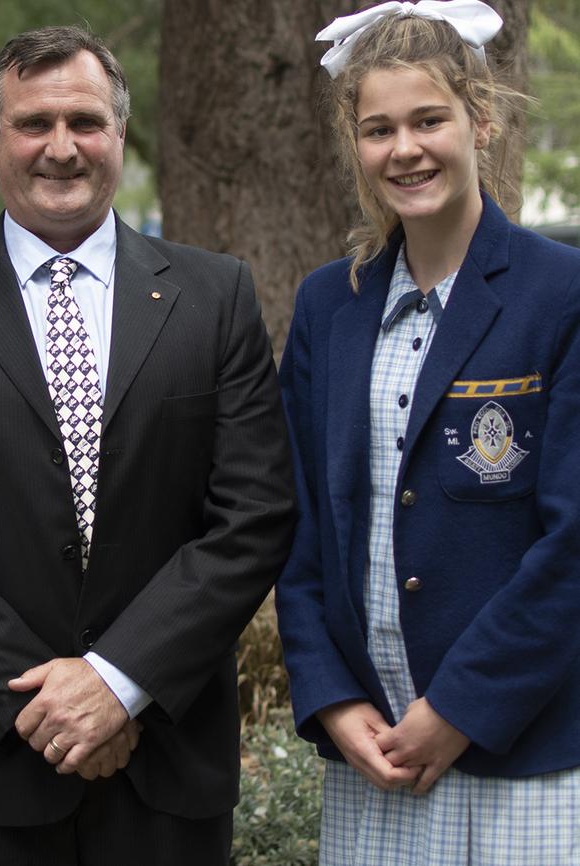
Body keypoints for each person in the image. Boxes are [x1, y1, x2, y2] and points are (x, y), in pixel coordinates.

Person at [0, 25, 295, 865]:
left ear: (120, 135)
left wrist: (118, 684)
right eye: (34, 123)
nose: (62, 147)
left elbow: (255, 513)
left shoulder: (215, 296)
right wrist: (47, 704)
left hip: (163, 771)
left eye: (86, 121)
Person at [276, 1, 580, 864]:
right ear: (356, 146)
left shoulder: (560, 296)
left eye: (428, 120)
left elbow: (573, 544)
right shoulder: (328, 305)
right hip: (373, 756)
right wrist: (332, 700)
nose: (404, 148)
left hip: (525, 752)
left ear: (480, 121)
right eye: (378, 129)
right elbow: (297, 526)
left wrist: (456, 712)